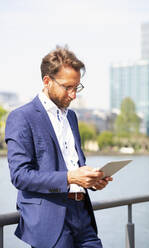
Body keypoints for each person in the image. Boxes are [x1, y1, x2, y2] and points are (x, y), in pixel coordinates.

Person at [5, 46, 112, 248]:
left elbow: (74, 163)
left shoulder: (71, 116)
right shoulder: (21, 117)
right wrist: (70, 177)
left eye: (77, 87)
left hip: (82, 213)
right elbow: (20, 176)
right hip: (49, 221)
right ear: (47, 81)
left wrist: (91, 180)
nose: (73, 95)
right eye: (67, 87)